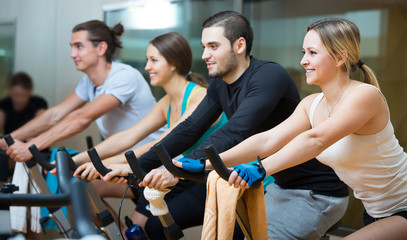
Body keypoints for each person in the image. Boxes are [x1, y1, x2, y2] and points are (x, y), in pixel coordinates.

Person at [104, 11, 348, 240]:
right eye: (204, 47)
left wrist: (178, 169)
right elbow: (190, 128)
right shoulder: (220, 84)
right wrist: (138, 168)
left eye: (213, 46)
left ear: (239, 46)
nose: (204, 55)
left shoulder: (268, 76)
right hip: (277, 186)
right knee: (161, 226)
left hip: (314, 193)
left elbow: (236, 132)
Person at [224, 17, 407, 240]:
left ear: (340, 57)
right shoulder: (311, 104)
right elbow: (268, 140)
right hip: (375, 212)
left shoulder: (365, 96)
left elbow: (316, 140)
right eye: (304, 52)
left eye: (312, 52)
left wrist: (260, 169)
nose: (303, 61)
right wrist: (209, 162)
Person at [70, 32, 227, 225]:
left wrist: (107, 165)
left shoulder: (199, 98)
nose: (147, 67)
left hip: (216, 177)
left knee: (150, 227)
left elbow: (163, 142)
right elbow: (128, 136)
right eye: (147, 60)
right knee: (132, 225)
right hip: (187, 175)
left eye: (153, 60)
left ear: (173, 63)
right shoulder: (167, 102)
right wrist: (78, 159)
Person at [0, 20, 162, 162]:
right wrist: (10, 139)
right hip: (130, 160)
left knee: (81, 186)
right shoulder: (88, 82)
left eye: (79, 47)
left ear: (101, 48)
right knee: (82, 186)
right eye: (72, 47)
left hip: (156, 159)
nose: (72, 54)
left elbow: (81, 118)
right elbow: (54, 115)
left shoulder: (124, 76)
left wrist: (31, 146)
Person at [0, 72, 47, 185]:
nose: (20, 99)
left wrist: (30, 140)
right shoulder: (5, 105)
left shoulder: (38, 103)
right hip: (11, 150)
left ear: (30, 91)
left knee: (33, 144)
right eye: (16, 95)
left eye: (24, 95)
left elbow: (43, 124)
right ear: (11, 91)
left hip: (34, 147)